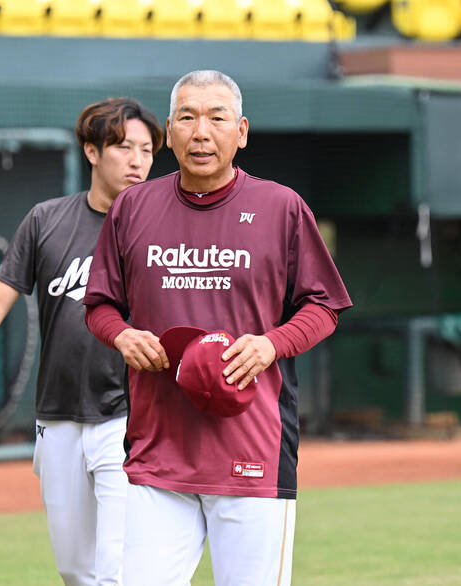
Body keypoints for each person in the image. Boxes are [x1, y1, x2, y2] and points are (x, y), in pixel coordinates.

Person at [83, 70, 352, 586]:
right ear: (169, 131)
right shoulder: (132, 208)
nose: (200, 131)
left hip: (252, 453)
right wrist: (120, 334)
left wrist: (272, 345)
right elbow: (99, 306)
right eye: (186, 117)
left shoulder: (281, 207)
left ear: (242, 131)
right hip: (157, 454)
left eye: (216, 117)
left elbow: (323, 306)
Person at [0, 98, 163, 586]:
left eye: (147, 150)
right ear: (91, 151)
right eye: (124, 147)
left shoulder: (162, 229)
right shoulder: (47, 219)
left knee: (118, 569)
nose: (137, 161)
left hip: (130, 416)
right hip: (58, 415)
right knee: (74, 570)